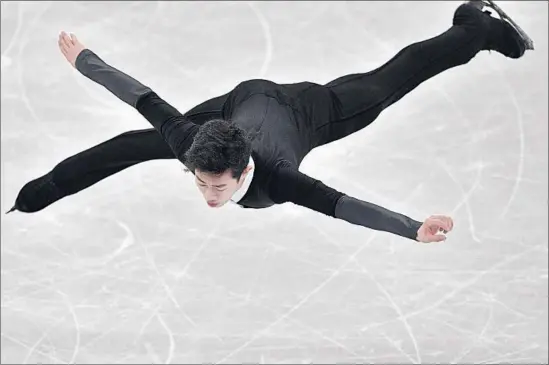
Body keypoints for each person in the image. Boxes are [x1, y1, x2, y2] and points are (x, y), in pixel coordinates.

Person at [7, 0, 533, 243]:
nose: (209, 194)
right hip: (232, 106)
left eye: (216, 186)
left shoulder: (281, 176)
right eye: (201, 182)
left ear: (241, 175)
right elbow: (137, 95)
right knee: (137, 141)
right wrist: (84, 60)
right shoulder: (192, 141)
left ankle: (476, 27)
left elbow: (344, 207)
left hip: (305, 112)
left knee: (391, 80)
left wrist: (412, 228)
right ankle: (40, 191)